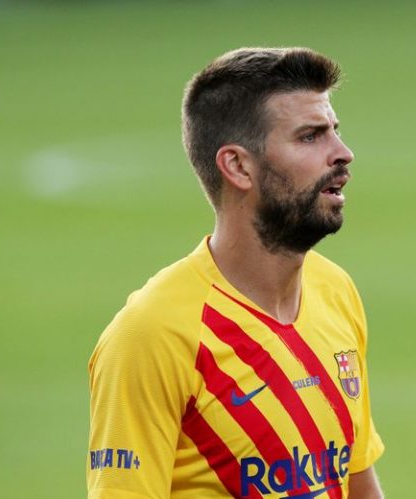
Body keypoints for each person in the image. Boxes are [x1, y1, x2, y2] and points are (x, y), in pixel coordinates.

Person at [87, 47, 385, 499]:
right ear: (238, 166)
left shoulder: (334, 290)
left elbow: (355, 478)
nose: (343, 154)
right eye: (310, 136)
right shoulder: (153, 334)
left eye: (335, 132)